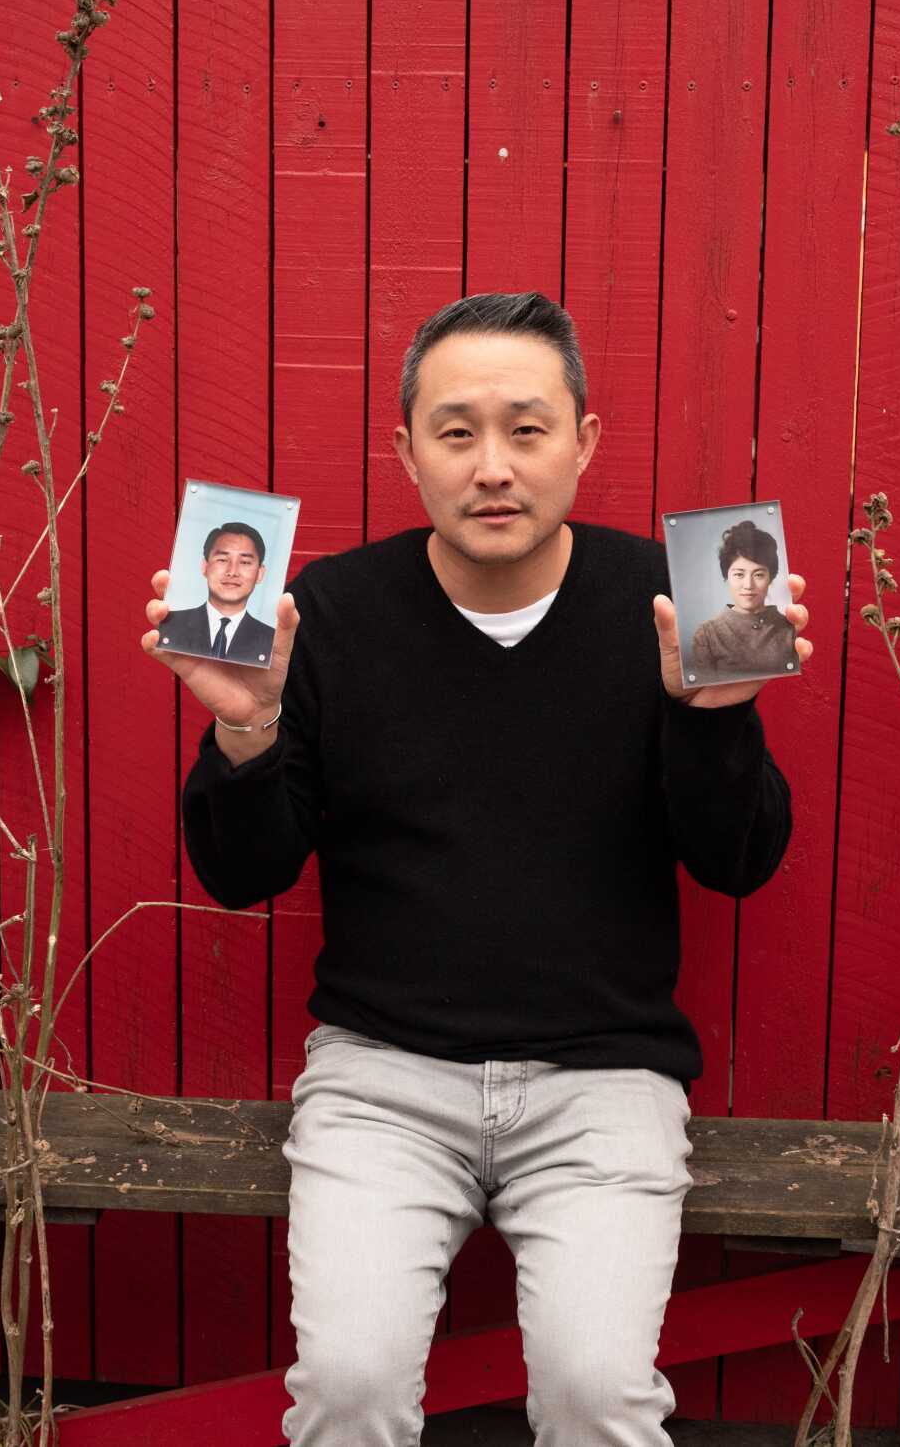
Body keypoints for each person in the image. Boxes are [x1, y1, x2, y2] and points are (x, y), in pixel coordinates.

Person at [142, 291, 811, 1447]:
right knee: (346, 1391)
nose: (491, 467)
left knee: (596, 1398)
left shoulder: (674, 603)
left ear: (584, 441)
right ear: (406, 454)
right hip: (382, 1080)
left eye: (526, 428)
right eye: (455, 433)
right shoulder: (326, 617)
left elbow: (738, 863)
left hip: (601, 1083)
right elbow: (242, 874)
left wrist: (713, 718)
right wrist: (245, 732)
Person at [689, 519, 798, 680]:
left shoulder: (789, 629)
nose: (748, 585)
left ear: (771, 577)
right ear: (726, 576)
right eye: (739, 574)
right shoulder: (707, 635)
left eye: (759, 575)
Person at [156, 521, 276, 665]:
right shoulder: (173, 626)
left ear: (260, 574)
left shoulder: (271, 641)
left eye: (244, 562)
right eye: (223, 559)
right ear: (204, 567)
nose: (232, 572)